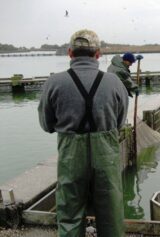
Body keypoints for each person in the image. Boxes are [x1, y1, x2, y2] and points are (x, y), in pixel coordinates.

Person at [38, 29, 129, 237]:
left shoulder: (53, 83)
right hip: (106, 155)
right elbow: (120, 122)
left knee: (69, 212)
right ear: (98, 54)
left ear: (70, 53)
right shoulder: (115, 83)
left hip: (71, 156)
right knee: (111, 214)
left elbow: (46, 124)